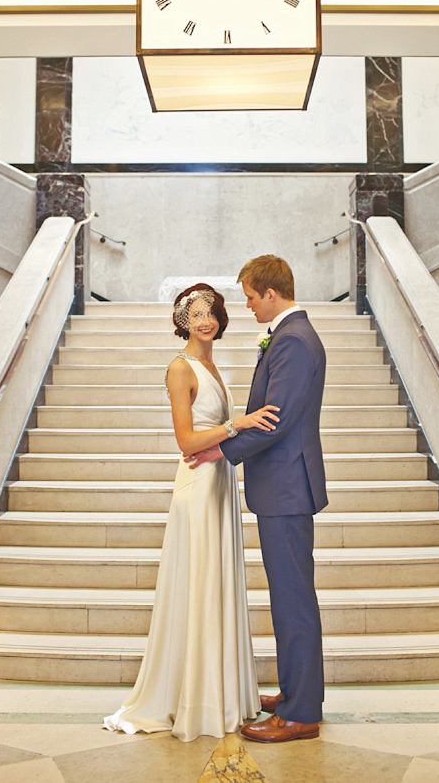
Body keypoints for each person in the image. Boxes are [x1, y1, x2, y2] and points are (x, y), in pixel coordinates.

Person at [103, 283, 280, 742]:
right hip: (198, 487)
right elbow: (186, 441)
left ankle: (221, 692)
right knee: (200, 583)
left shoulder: (210, 364)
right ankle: (195, 700)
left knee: (216, 583)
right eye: (196, 313)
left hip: (219, 482)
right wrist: (235, 424)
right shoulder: (180, 368)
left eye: (211, 312)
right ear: (183, 321)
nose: (205, 320)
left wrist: (229, 434)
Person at [188, 256, 327, 744]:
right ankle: (295, 695)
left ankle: (301, 713)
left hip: (287, 487)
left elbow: (276, 419)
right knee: (290, 597)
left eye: (249, 296)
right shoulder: (293, 336)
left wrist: (219, 450)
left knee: (293, 601)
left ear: (271, 293)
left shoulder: (292, 339)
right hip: (285, 485)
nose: (244, 305)